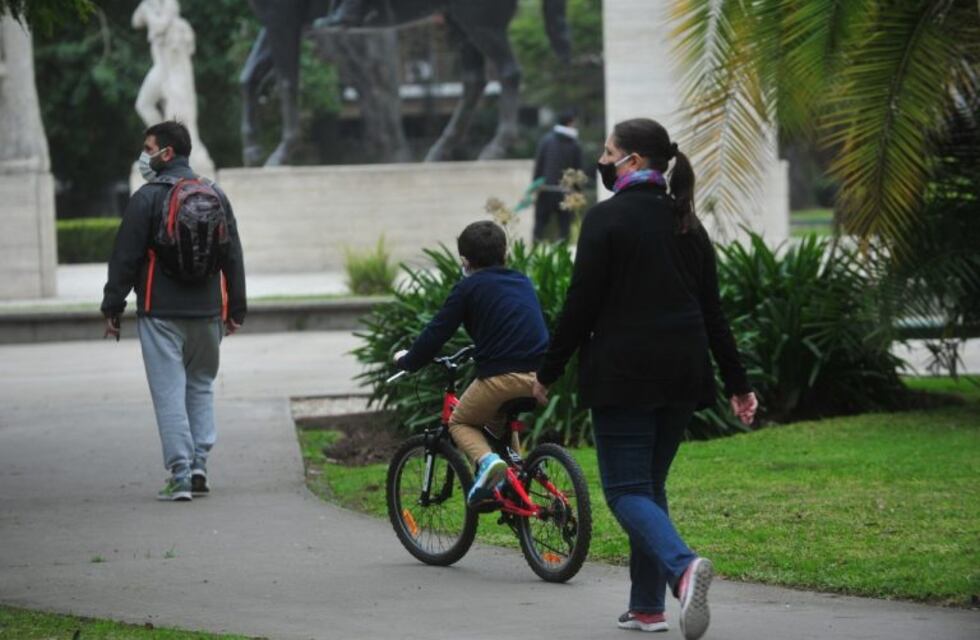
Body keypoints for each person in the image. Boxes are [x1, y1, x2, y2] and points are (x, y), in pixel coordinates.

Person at [532, 118, 757, 639]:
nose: (603, 161)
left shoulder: (607, 221)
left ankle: (682, 569)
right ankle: (647, 609)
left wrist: (548, 371)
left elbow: (580, 305)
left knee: (625, 490)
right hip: (683, 370)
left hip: (625, 372)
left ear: (632, 161)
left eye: (609, 152)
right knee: (649, 489)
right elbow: (713, 314)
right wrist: (738, 383)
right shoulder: (687, 223)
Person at [101, 121, 247, 502]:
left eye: (148, 148)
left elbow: (125, 258)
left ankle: (180, 475)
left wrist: (113, 307)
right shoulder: (215, 194)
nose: (144, 155)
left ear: (166, 153)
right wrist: (236, 309)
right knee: (200, 386)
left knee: (169, 393)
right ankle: (200, 466)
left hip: (160, 311)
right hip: (209, 312)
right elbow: (232, 255)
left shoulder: (146, 197)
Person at [393, 221, 549, 506]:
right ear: (506, 254)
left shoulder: (467, 288)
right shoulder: (521, 280)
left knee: (460, 421)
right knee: (495, 421)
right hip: (540, 374)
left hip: (501, 375)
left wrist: (409, 361)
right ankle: (515, 479)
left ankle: (489, 463)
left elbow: (436, 333)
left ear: (464, 261)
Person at [532, 110, 583, 242]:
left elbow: (539, 165)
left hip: (546, 190)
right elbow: (578, 170)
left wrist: (535, 187)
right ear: (570, 123)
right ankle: (562, 256)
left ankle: (535, 253)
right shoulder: (574, 144)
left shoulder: (546, 140)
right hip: (566, 192)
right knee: (564, 228)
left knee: (539, 226)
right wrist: (578, 191)